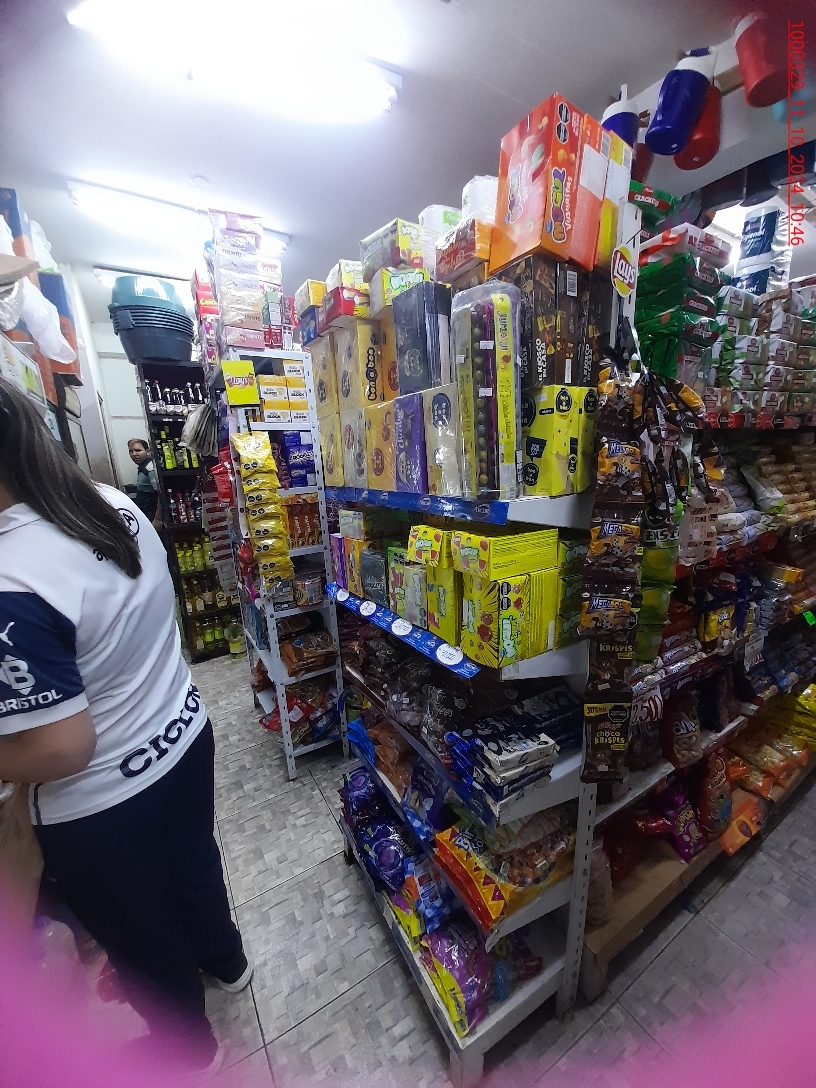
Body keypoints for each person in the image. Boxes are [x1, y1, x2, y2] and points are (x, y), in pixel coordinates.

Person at [0, 378, 251, 1076]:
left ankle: (191, 1051)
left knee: (139, 933)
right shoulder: (108, 504)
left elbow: (62, 745)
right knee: (195, 863)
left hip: (104, 800)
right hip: (182, 735)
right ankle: (229, 962)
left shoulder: (12, 576)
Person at [128, 438, 161, 528]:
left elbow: (161, 496)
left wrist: (157, 520)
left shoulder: (150, 469)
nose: (134, 454)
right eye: (131, 451)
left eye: (138, 450)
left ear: (148, 452)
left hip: (152, 517)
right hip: (146, 515)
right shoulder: (143, 467)